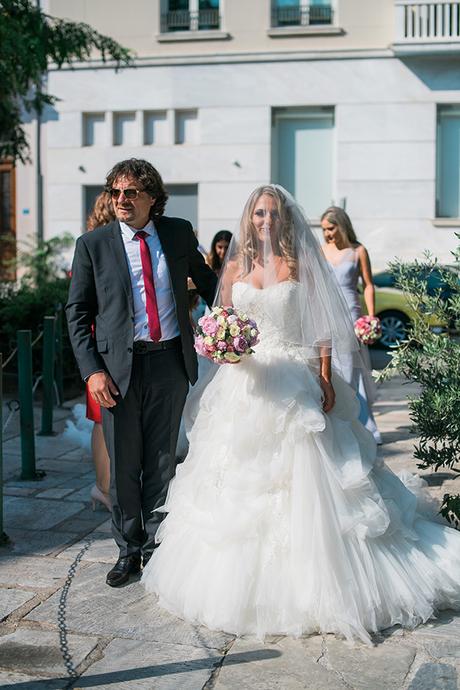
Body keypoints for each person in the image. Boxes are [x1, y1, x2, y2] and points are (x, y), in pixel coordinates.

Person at [143, 185, 460, 645]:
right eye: (258, 214)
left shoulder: (300, 263)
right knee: (236, 479)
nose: (266, 221)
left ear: (285, 218)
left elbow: (323, 328)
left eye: (273, 214)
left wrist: (326, 377)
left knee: (311, 475)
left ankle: (324, 580)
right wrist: (219, 344)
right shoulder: (235, 266)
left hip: (295, 375)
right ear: (249, 219)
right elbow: (220, 318)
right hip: (245, 382)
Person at [66, 158, 217, 587]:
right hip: (115, 372)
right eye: (115, 192)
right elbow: (77, 313)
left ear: (152, 196)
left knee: (162, 462)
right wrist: (92, 371)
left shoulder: (177, 233)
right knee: (124, 464)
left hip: (170, 363)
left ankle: (154, 548)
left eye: (130, 192)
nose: (121, 200)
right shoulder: (92, 244)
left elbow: (210, 284)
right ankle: (128, 549)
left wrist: (228, 327)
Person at [321, 206, 382, 444]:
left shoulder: (358, 251)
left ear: (342, 225)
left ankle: (362, 426)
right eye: (324, 229)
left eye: (331, 228)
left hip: (350, 316)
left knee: (349, 370)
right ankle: (337, 423)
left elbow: (368, 284)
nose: (327, 234)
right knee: (329, 368)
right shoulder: (320, 250)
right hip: (326, 314)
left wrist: (371, 316)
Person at [86, 192, 115, 511]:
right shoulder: (95, 245)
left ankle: (106, 484)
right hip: (99, 342)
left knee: (102, 418)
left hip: (101, 338)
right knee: (100, 417)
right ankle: (103, 487)